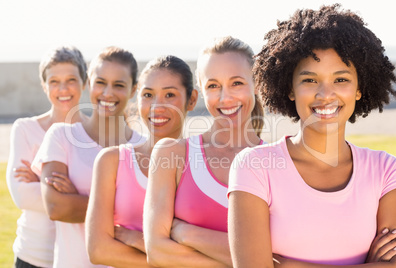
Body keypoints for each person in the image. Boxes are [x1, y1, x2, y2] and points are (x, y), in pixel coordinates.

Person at [228, 4, 396, 268]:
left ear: (359, 88)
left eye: (341, 80)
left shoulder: (387, 170)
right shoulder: (254, 166)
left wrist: (291, 266)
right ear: (290, 89)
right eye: (310, 80)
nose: (325, 94)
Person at [143, 36, 265, 267]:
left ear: (256, 84)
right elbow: (157, 252)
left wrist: (186, 234)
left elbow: (276, 258)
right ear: (201, 89)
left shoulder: (276, 160)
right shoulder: (172, 154)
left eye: (237, 83)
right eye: (213, 86)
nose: (225, 97)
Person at [31, 46, 145, 268]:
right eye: (100, 82)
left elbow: (155, 219)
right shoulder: (62, 136)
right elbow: (57, 208)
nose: (108, 93)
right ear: (89, 84)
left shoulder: (145, 147)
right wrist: (128, 208)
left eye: (119, 85)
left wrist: (80, 200)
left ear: (133, 90)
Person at [85, 55, 198, 267]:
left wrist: (135, 239)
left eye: (170, 95)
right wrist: (175, 257)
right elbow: (99, 250)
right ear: (138, 99)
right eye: (148, 95)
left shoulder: (205, 165)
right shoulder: (112, 161)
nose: (157, 106)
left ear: (191, 99)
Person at [6, 46, 87, 268]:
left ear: (85, 82)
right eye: (54, 81)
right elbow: (22, 196)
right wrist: (76, 192)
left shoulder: (95, 133)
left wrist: (40, 180)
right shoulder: (25, 129)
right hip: (33, 256)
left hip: (80, 259)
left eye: (71, 79)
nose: (63, 89)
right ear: (44, 85)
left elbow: (113, 201)